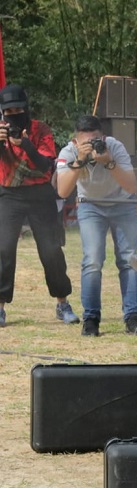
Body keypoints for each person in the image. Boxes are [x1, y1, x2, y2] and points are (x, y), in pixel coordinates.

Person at [0, 83, 79, 328]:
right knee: (3, 249)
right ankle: (0, 307)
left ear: (26, 108)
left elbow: (46, 165)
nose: (14, 116)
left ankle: (62, 302)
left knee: (51, 250)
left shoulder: (40, 129)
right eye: (8, 111)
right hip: (9, 194)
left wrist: (24, 144)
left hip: (41, 194)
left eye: (18, 110)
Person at [55, 115, 137, 337]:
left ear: (103, 137)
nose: (93, 146)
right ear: (75, 142)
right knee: (92, 261)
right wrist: (80, 161)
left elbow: (131, 186)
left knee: (129, 259)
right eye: (86, 142)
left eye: (96, 140)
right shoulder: (68, 153)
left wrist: (109, 162)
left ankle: (133, 317)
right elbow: (62, 191)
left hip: (123, 203)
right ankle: (91, 319)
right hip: (90, 206)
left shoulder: (115, 146)